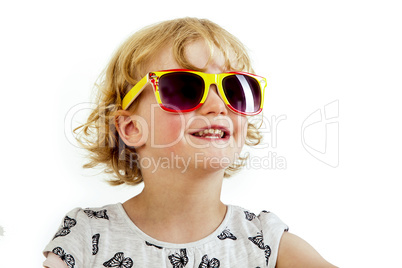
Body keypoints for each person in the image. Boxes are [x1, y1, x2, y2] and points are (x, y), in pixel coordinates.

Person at [43, 17, 336, 268]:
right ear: (132, 128)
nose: (217, 106)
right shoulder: (87, 237)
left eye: (234, 89)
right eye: (185, 87)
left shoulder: (267, 243)